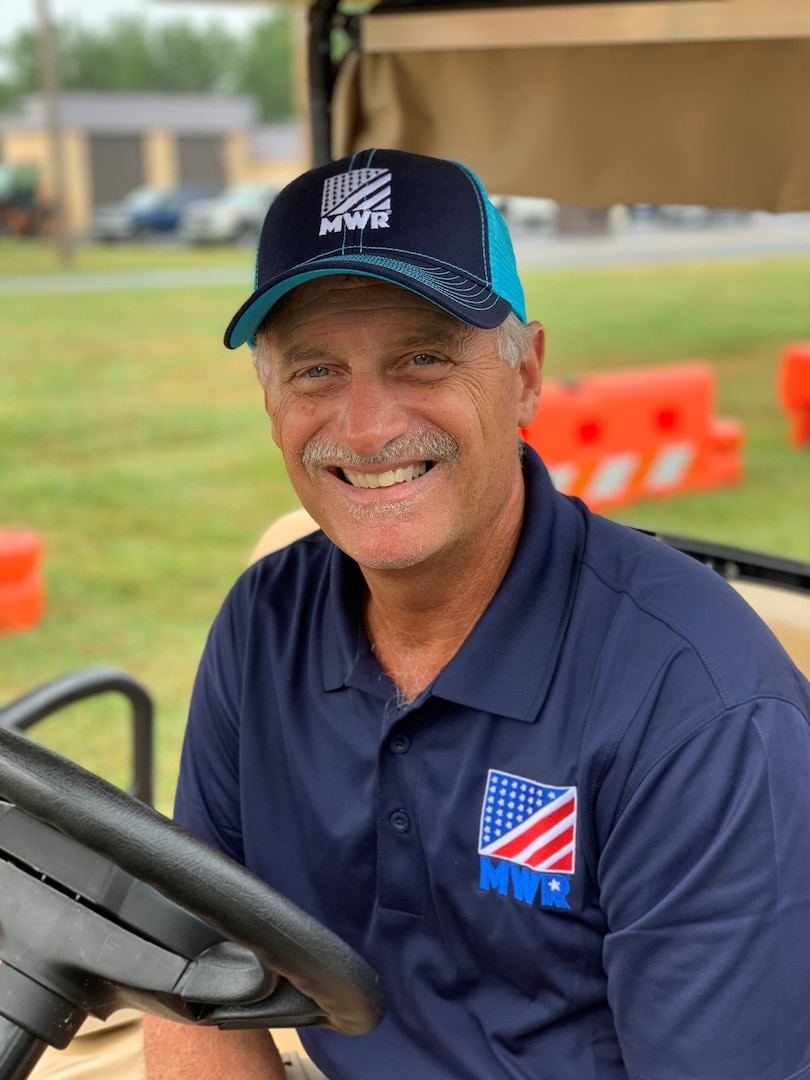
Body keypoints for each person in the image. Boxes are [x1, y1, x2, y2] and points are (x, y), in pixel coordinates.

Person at [143, 148, 810, 1080]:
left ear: (526, 373)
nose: (367, 427)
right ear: (269, 398)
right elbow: (195, 976)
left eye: (423, 358)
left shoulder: (697, 704)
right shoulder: (265, 624)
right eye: (317, 370)